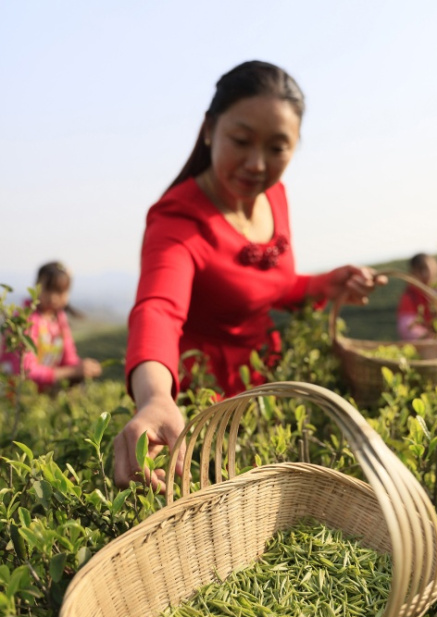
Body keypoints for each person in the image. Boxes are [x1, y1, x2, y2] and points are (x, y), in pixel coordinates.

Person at [113, 60, 386, 490]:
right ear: (209, 130)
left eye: (277, 148)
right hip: (199, 399)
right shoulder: (180, 219)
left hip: (262, 384)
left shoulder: (274, 197)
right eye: (241, 141)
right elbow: (158, 310)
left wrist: (326, 284)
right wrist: (154, 397)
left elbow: (271, 286)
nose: (257, 164)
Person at [0, 261, 102, 391]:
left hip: (38, 398)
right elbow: (26, 371)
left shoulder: (59, 319)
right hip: (13, 396)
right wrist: (72, 372)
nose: (53, 298)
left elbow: (69, 358)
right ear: (37, 286)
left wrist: (84, 368)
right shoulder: (25, 320)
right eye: (48, 289)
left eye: (59, 292)